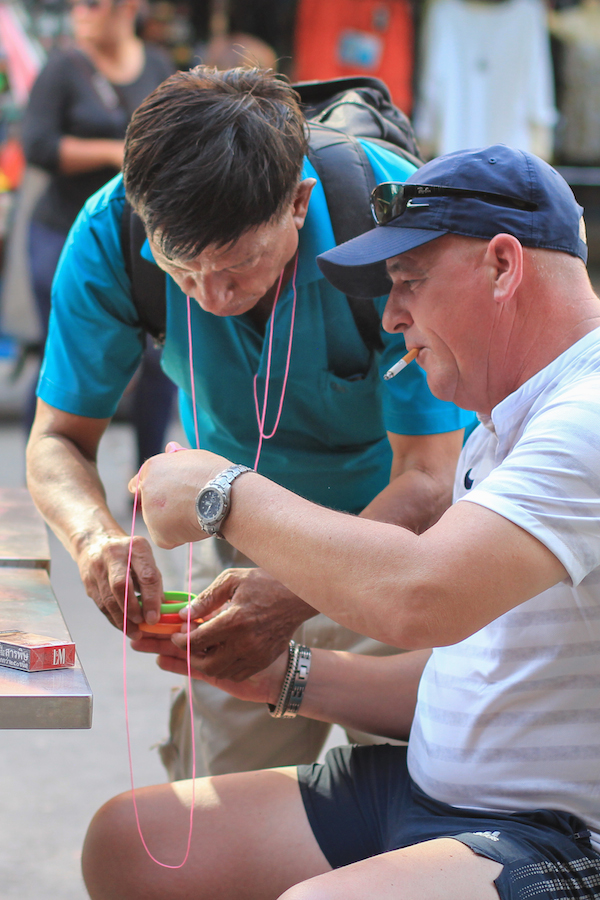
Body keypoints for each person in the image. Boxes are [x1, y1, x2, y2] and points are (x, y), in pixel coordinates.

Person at [82, 144, 600, 900]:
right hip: (424, 795)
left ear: (502, 266)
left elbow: (420, 595)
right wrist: (281, 676)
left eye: (409, 283)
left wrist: (223, 491)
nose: (392, 317)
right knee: (128, 843)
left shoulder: (586, 416)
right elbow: (480, 674)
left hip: (553, 828)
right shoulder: (507, 423)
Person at [25, 66, 473, 779]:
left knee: (418, 791)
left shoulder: (392, 220)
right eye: (180, 269)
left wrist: (304, 586)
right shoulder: (112, 231)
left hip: (405, 551)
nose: (208, 297)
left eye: (236, 266)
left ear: (298, 204)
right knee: (220, 795)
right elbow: (55, 441)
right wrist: (96, 538)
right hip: (242, 541)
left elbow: (431, 476)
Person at [21, 0, 176, 462]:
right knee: (73, 356)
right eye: (74, 5)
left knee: (160, 355)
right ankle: (61, 464)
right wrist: (113, 154)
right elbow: (38, 145)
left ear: (130, 7)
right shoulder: (62, 68)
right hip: (63, 231)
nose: (80, 12)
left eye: (92, 3)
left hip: (139, 237)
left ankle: (150, 473)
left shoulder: (157, 65)